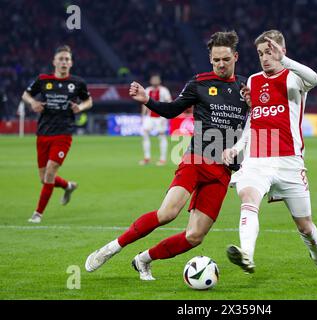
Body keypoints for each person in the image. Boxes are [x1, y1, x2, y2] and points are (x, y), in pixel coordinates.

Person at [85, 31, 249, 281]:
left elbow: (258, 121)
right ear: (210, 58)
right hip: (196, 159)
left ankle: (143, 259)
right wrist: (148, 101)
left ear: (235, 57)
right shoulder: (199, 83)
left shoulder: (247, 87)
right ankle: (112, 248)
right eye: (216, 60)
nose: (220, 64)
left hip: (223, 171)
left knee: (195, 237)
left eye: (225, 59)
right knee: (168, 212)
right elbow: (173, 110)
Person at [222, 30, 317, 277]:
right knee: (248, 199)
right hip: (258, 158)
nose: (265, 58)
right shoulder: (253, 81)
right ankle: (247, 254)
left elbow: (316, 78)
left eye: (270, 52)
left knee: (305, 226)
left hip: (289, 161)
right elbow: (254, 120)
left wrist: (284, 60)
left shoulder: (294, 78)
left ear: (282, 51)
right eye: (261, 53)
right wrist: (237, 147)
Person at [22, 45, 93, 223]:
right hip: (43, 132)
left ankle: (37, 214)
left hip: (63, 133)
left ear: (71, 63)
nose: (64, 62)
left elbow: (88, 101)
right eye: (61, 59)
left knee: (50, 171)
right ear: (54, 62)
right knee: (44, 177)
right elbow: (25, 94)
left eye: (67, 59)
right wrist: (32, 103)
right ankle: (68, 186)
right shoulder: (43, 80)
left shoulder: (77, 83)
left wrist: (80, 107)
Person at [139, 74, 172, 166]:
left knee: (161, 136)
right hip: (149, 116)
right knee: (145, 133)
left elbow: (169, 102)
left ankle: (163, 159)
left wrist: (167, 115)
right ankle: (147, 157)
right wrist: (142, 116)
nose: (154, 81)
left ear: (159, 81)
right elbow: (144, 103)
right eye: (153, 79)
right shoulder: (148, 90)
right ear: (150, 81)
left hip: (161, 116)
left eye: (156, 79)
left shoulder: (164, 90)